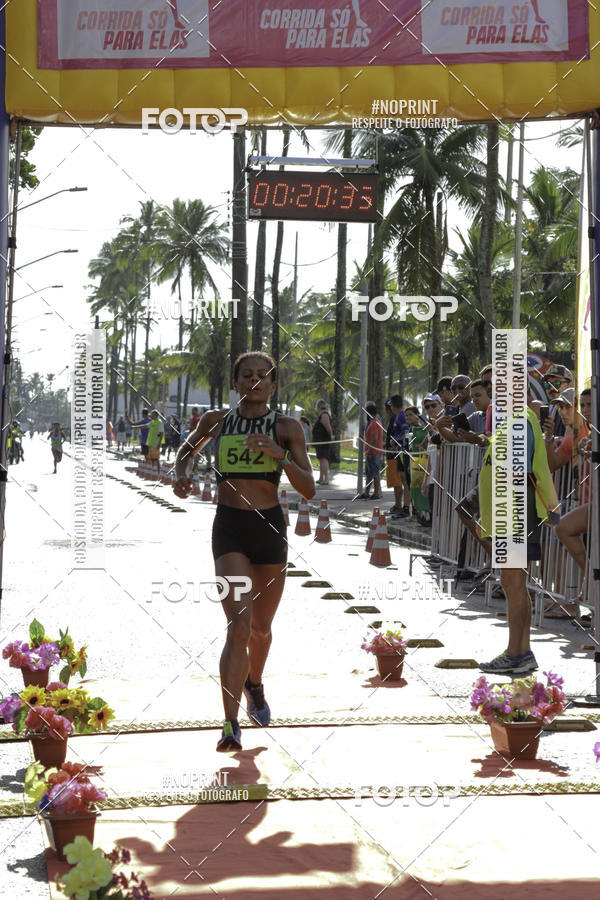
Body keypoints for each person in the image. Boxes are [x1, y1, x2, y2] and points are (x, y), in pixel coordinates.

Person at [173, 351, 315, 752]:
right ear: (235, 382)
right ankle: (230, 724)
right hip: (230, 529)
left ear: (273, 385)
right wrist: (182, 476)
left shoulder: (287, 427)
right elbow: (186, 452)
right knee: (238, 628)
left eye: (262, 376)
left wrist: (279, 455)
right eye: (246, 375)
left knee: (260, 630)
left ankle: (255, 683)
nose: (254, 381)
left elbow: (309, 488)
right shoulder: (216, 421)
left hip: (269, 529)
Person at [477, 403, 559, 674]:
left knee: (512, 583)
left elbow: (516, 472)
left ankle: (515, 653)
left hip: (513, 512)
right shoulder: (517, 420)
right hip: (512, 512)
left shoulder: (519, 421)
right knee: (517, 584)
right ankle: (522, 651)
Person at [384, 395, 410, 517]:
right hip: (399, 451)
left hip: (404, 452)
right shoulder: (397, 417)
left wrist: (395, 440)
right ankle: (402, 507)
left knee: (404, 481)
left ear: (394, 406)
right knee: (402, 479)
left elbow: (406, 432)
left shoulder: (401, 416)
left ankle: (405, 508)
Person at [358, 401, 383, 500]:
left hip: (374, 452)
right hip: (371, 451)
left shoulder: (375, 423)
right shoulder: (373, 422)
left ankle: (376, 493)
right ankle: (367, 492)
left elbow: (374, 439)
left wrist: (369, 450)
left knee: (375, 474)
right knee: (369, 474)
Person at [542, 364, 573, 439]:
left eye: (556, 384)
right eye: (547, 385)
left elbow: (573, 441)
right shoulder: (547, 409)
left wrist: (550, 439)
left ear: (570, 385)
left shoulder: (576, 408)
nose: (551, 389)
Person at [313, 399, 333, 485]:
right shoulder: (322, 415)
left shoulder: (324, 415)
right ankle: (321, 478)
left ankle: (326, 479)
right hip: (320, 441)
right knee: (321, 459)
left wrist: (331, 436)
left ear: (319, 407)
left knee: (324, 459)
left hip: (323, 441)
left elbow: (328, 428)